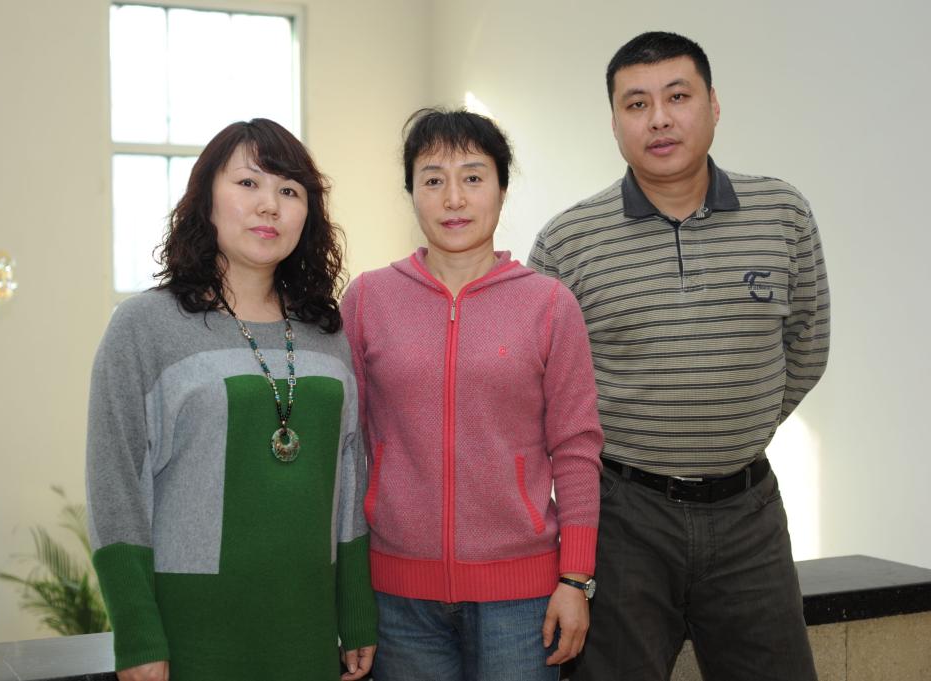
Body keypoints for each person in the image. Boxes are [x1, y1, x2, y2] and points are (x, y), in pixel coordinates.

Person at [529, 31, 830, 681]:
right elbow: (546, 393)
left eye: (678, 96)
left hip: (748, 512)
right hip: (623, 517)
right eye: (636, 104)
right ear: (614, 121)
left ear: (713, 105)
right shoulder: (568, 242)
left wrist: (729, 428)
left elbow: (807, 347)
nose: (659, 118)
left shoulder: (782, 214)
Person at [86, 119, 377, 681]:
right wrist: (137, 633)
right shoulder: (144, 325)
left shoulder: (326, 332)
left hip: (307, 625)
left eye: (289, 190)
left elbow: (349, 476)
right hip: (191, 628)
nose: (269, 205)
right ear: (206, 199)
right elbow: (114, 482)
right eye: (248, 183)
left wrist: (357, 610)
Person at [341, 108, 604, 681]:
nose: (453, 198)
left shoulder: (549, 305)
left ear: (502, 190)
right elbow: (345, 448)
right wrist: (347, 584)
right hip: (398, 596)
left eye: (473, 177)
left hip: (523, 597)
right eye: (433, 179)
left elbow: (577, 448)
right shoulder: (367, 300)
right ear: (411, 192)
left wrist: (575, 577)